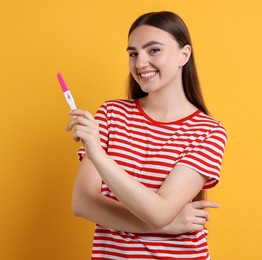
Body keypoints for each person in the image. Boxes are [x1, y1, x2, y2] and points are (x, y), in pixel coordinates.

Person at [66, 11, 227, 259]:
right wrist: (169, 225)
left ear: (184, 55)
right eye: (133, 53)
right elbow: (83, 203)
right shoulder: (111, 114)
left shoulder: (208, 131)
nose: (140, 63)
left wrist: (99, 156)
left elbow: (158, 212)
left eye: (153, 50)